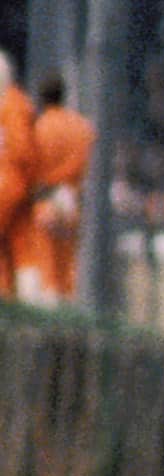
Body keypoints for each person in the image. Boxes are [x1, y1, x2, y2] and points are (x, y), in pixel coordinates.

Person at [15, 75, 96, 305]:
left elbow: (30, 165)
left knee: (47, 270)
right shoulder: (82, 127)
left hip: (45, 202)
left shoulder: (39, 128)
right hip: (71, 201)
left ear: (41, 98)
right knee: (68, 268)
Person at [0, 52, 39, 301]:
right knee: (19, 246)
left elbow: (22, 151)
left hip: (8, 181)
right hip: (15, 182)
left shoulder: (12, 105)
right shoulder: (14, 104)